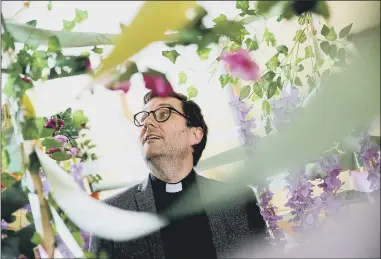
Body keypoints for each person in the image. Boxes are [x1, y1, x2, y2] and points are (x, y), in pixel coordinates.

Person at [89, 91, 269, 259]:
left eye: (163, 114)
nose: (147, 123)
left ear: (195, 135)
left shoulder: (239, 201)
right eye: (144, 118)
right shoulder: (109, 215)